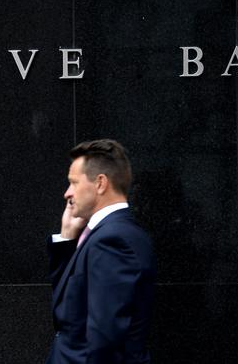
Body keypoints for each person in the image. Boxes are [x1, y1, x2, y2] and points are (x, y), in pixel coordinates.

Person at [46, 139, 156, 364]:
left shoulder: (113, 240)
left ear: (100, 183)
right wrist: (67, 237)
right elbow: (69, 314)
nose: (67, 193)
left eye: (74, 183)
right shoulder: (107, 235)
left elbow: (106, 339)